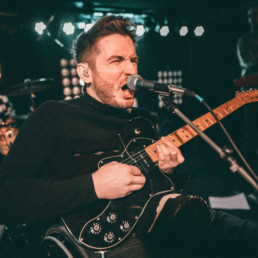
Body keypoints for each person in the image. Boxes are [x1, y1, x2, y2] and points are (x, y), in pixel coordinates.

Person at [0, 15, 257, 258]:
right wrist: (94, 185)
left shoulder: (141, 120)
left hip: (163, 226)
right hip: (99, 245)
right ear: (84, 73)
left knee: (243, 234)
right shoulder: (54, 116)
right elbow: (7, 197)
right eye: (116, 60)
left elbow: (148, 194)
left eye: (133, 60)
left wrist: (166, 173)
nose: (131, 71)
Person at [236, 2, 258, 171]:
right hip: (251, 91)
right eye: (250, 16)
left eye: (255, 15)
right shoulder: (244, 40)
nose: (252, 19)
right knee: (252, 133)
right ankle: (249, 174)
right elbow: (249, 63)